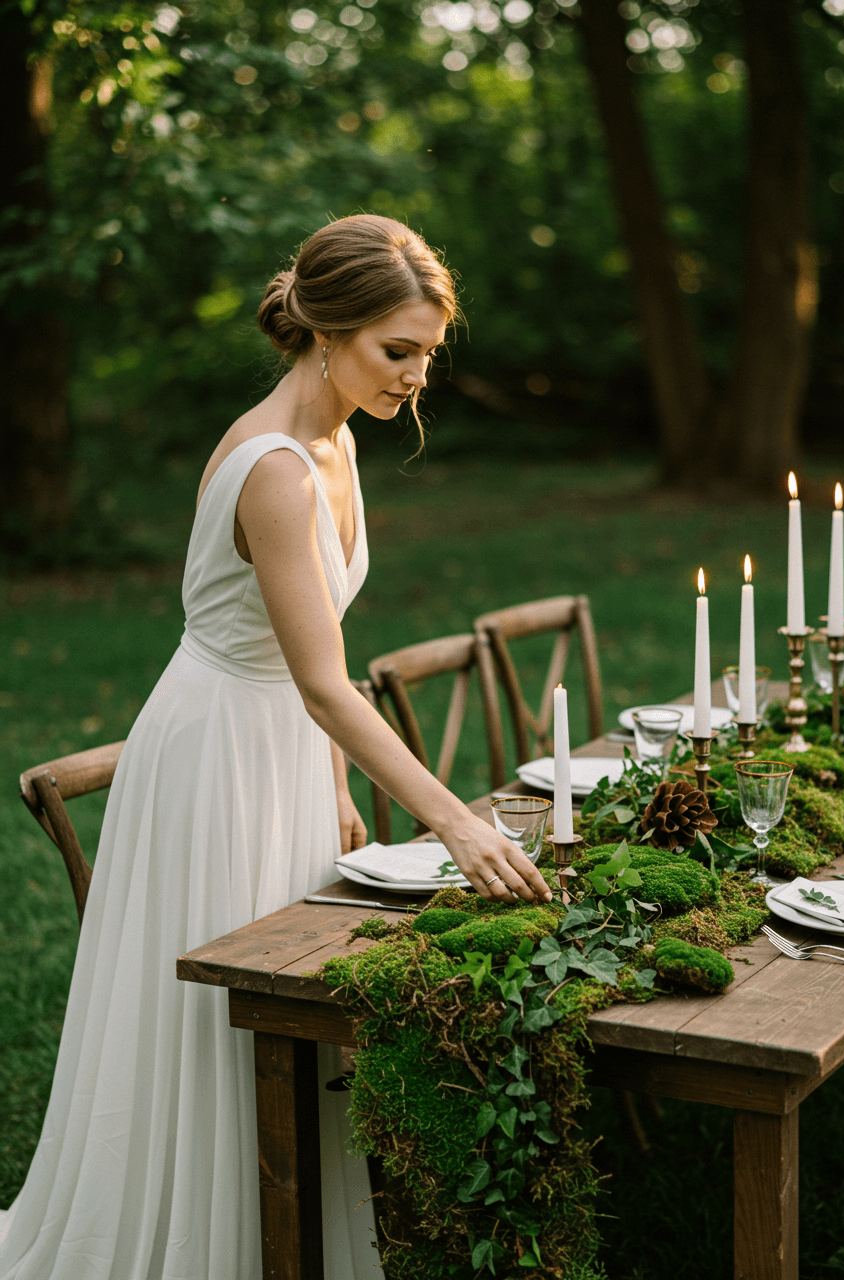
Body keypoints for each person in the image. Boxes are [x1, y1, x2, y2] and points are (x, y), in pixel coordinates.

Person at [0, 214, 552, 1280]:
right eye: (399, 350)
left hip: (290, 746)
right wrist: (449, 818)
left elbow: (318, 650)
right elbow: (321, 680)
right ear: (324, 327)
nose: (416, 375)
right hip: (216, 758)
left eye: (427, 353)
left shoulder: (337, 438)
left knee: (297, 1006)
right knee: (220, 1022)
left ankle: (284, 1230)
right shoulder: (276, 468)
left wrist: (336, 779)